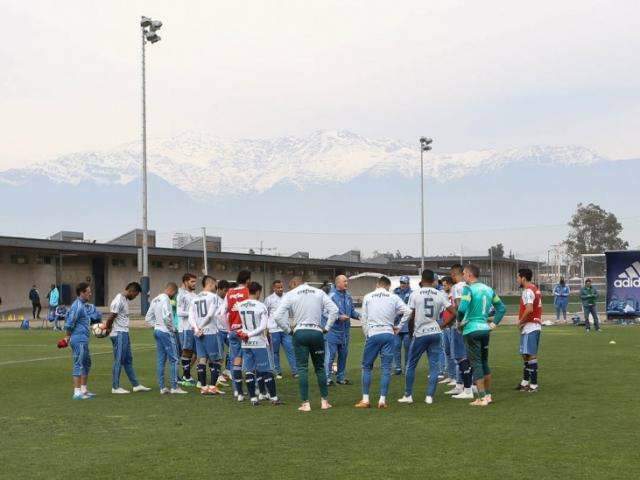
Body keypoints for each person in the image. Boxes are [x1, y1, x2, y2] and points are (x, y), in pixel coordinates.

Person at [273, 276, 339, 412]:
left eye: (290, 285)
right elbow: (335, 310)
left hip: (300, 333)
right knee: (320, 368)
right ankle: (324, 402)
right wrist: (326, 328)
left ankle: (305, 403)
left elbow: (277, 316)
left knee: (302, 368)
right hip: (316, 332)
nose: (289, 288)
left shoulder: (291, 294)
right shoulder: (319, 292)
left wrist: (288, 330)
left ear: (294, 283)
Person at [398, 270, 456, 405]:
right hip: (435, 331)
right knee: (434, 366)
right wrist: (443, 324)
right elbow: (454, 311)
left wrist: (411, 332)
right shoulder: (440, 294)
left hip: (421, 333)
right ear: (433, 280)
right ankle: (429, 396)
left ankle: (408, 395)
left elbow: (410, 315)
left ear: (422, 279)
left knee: (411, 364)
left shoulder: (415, 294)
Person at [355, 276, 412, 409]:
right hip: (388, 333)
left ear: (377, 284)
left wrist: (367, 334)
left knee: (367, 366)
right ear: (388, 286)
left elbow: (364, 318)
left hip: (374, 333)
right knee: (386, 368)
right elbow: (408, 311)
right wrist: (399, 326)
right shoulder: (393, 297)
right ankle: (382, 400)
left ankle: (365, 399)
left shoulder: (368, 297)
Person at [458, 264, 506, 406]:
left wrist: (458, 323)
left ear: (469, 275)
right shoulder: (489, 289)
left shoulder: (468, 289)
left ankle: (482, 397)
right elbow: (501, 309)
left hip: (471, 329)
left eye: (464, 274)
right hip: (485, 329)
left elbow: (461, 309)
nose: (463, 276)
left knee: (476, 363)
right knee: (484, 361)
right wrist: (493, 324)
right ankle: (488, 395)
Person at [236, 282, 283, 406]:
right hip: (259, 342)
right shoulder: (261, 306)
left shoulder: (240, 305)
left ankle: (253, 398)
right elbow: (263, 326)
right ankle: (274, 398)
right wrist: (249, 334)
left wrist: (245, 334)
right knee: (266, 370)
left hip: (246, 343)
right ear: (258, 292)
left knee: (249, 370)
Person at [102, 282, 151, 394]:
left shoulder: (124, 300)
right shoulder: (119, 300)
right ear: (131, 291)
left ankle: (136, 385)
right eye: (136, 295)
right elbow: (111, 317)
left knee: (128, 360)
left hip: (124, 333)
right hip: (118, 334)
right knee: (118, 360)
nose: (135, 297)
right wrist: (108, 328)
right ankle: (115, 387)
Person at [145, 282, 187, 394]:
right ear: (172, 291)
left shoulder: (155, 299)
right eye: (175, 294)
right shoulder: (166, 299)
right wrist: (171, 329)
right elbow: (167, 316)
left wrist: (156, 325)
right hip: (166, 332)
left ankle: (162, 387)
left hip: (157, 331)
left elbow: (148, 318)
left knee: (161, 360)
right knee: (174, 359)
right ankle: (174, 387)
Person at [216, 270, 252, 399]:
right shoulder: (248, 292)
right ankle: (253, 389)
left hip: (232, 331)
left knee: (234, 359)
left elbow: (220, 314)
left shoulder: (229, 293)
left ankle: (237, 390)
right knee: (249, 359)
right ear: (247, 280)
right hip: (245, 331)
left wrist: (229, 328)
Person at [188, 275, 225, 396]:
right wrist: (201, 327)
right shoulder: (213, 297)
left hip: (198, 333)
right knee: (217, 360)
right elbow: (209, 316)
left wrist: (196, 328)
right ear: (210, 284)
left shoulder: (195, 298)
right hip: (210, 332)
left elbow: (190, 317)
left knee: (202, 359)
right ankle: (213, 387)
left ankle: (203, 387)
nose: (216, 287)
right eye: (215, 284)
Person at [325, 275, 360, 386]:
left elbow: (352, 312)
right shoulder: (331, 296)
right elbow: (324, 313)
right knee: (330, 355)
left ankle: (341, 378)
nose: (346, 283)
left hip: (345, 332)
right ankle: (327, 379)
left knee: (343, 355)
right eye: (344, 281)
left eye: (347, 281)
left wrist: (361, 316)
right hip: (332, 332)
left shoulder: (348, 296)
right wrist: (338, 317)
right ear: (337, 283)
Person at [62, 282, 94, 400]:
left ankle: (84, 389)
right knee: (79, 363)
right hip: (78, 339)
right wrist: (67, 337)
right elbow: (70, 322)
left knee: (87, 363)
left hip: (84, 339)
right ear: (82, 293)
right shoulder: (77, 306)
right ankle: (76, 393)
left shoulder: (83, 305)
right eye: (88, 291)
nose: (90, 293)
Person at [447, 264, 474, 399]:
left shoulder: (457, 287)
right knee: (469, 356)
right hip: (471, 325)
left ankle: (466, 388)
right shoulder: (469, 286)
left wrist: (458, 323)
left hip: (461, 326)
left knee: (460, 357)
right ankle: (470, 384)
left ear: (454, 274)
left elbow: (458, 306)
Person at [516, 269, 542, 393]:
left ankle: (534, 385)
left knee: (530, 354)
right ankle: (525, 382)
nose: (517, 280)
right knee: (525, 354)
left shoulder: (527, 291)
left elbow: (529, 309)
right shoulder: (534, 288)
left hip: (530, 326)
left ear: (523, 278)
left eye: (518, 277)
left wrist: (520, 321)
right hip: (533, 326)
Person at [265, 280, 297, 379]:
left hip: (286, 329)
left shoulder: (288, 297)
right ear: (274, 288)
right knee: (274, 352)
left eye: (281, 287)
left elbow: (292, 311)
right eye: (278, 287)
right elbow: (265, 314)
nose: (280, 289)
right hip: (273, 329)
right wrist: (266, 328)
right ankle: (277, 372)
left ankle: (295, 371)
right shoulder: (269, 299)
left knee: (290, 349)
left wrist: (293, 324)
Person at [177, 273, 198, 386]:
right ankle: (186, 376)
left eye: (195, 281)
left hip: (194, 328)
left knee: (197, 353)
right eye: (192, 281)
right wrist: (192, 314)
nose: (194, 283)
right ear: (185, 282)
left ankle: (186, 374)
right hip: (185, 328)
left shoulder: (194, 295)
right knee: (187, 352)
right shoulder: (181, 295)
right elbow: (179, 312)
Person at [438, 276, 458, 386]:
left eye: (445, 285)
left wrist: (445, 323)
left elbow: (454, 312)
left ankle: (456, 377)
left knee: (454, 352)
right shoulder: (444, 295)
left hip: (451, 326)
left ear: (450, 284)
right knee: (447, 351)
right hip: (446, 326)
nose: (443, 287)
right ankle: (451, 376)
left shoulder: (454, 295)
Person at [392, 276, 413, 375]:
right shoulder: (395, 293)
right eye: (401, 283)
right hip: (396, 325)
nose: (402, 285)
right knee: (396, 347)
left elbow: (412, 308)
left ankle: (408, 367)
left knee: (407, 347)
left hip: (407, 325)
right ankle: (398, 368)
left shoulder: (412, 294)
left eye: (404, 283)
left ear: (408, 283)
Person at [214, 279, 231, 386]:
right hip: (218, 330)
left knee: (234, 349)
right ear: (219, 289)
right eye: (224, 291)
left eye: (227, 291)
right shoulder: (213, 299)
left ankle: (228, 370)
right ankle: (218, 374)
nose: (226, 293)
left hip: (228, 330)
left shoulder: (227, 299)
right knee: (219, 354)